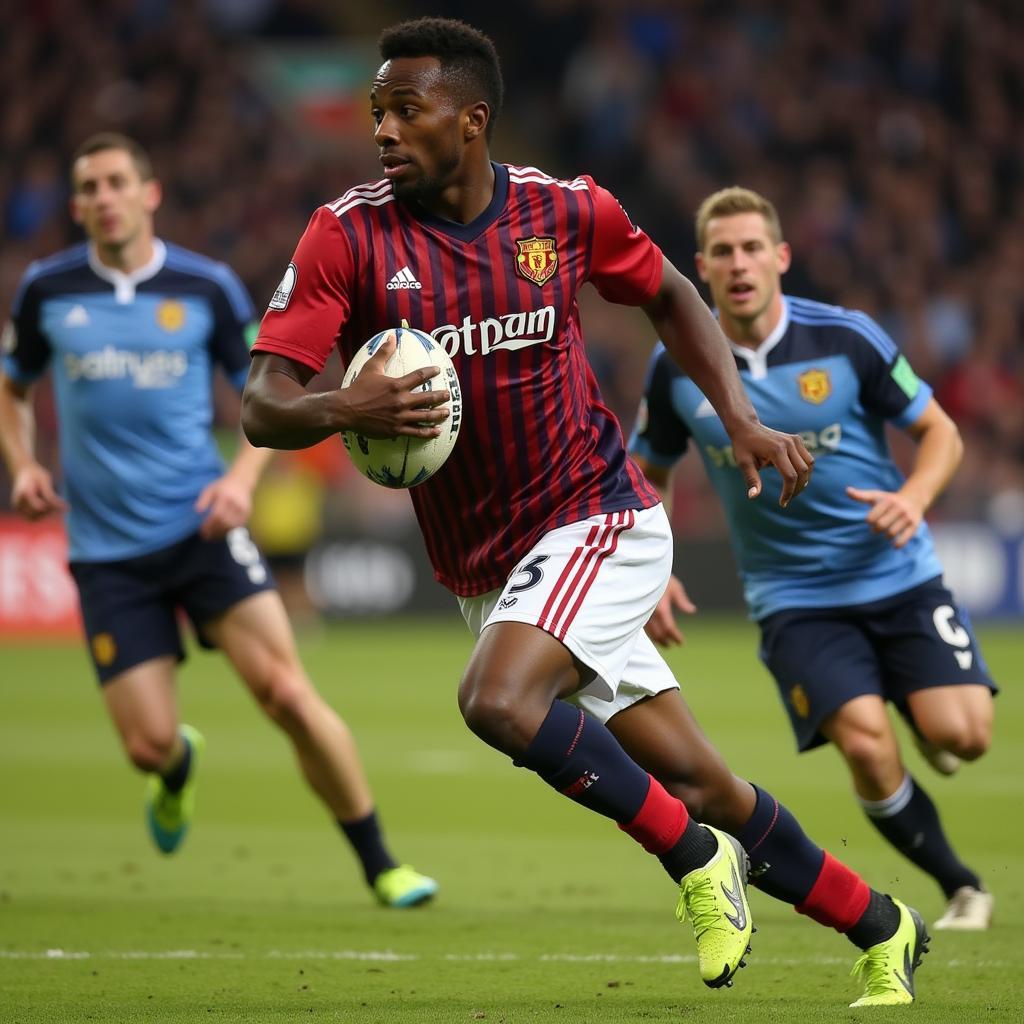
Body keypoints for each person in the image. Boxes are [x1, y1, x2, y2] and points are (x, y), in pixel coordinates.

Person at [241, 17, 927, 1006]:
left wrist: (733, 418)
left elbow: (672, 295)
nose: (383, 129)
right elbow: (265, 403)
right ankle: (882, 924)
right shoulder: (344, 233)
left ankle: (696, 863)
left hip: (596, 516)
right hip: (490, 564)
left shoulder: (564, 212)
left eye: (407, 109)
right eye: (377, 110)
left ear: (471, 121)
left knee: (497, 703)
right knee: (705, 782)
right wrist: (347, 404)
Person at [0, 132, 437, 910]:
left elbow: (266, 395)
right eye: (89, 187)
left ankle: (381, 862)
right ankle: (174, 768)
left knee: (287, 694)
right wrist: (25, 464)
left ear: (149, 192)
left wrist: (241, 480)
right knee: (146, 744)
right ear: (76, 206)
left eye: (115, 183)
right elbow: (12, 385)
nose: (103, 197)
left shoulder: (205, 289)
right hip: (106, 552)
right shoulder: (47, 291)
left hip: (202, 525)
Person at [631, 185, 997, 931]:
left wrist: (915, 499)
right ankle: (962, 885)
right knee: (866, 743)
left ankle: (931, 718)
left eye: (753, 248)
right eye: (724, 252)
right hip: (792, 597)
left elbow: (942, 433)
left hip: (898, 573)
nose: (739, 264)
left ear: (781, 258)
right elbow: (649, 476)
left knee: (965, 736)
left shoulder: (848, 337)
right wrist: (652, 569)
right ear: (701, 268)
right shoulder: (677, 369)